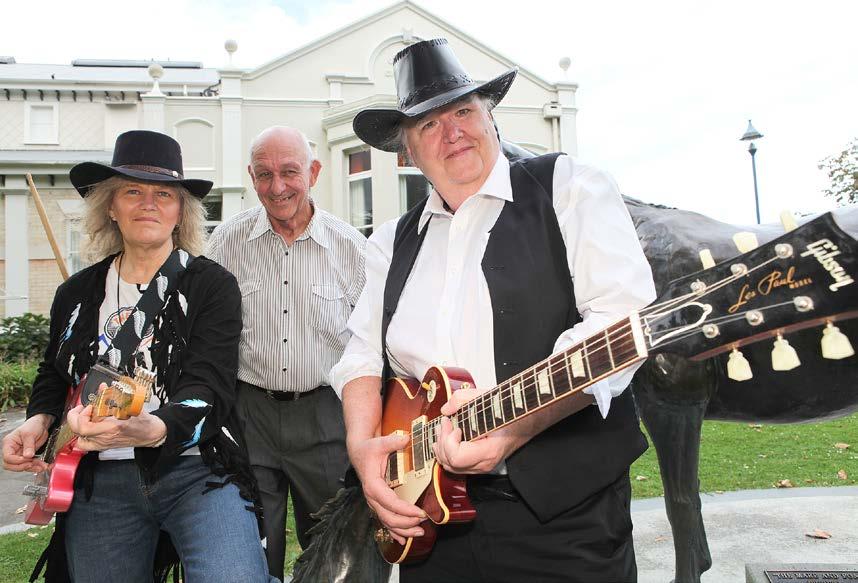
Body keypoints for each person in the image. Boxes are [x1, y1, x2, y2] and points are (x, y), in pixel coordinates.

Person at [331, 38, 657, 582]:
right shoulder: (390, 242)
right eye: (429, 124)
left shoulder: (569, 188)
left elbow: (619, 320)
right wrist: (363, 448)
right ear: (407, 152)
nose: (452, 132)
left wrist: (512, 430)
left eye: (464, 111)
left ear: (491, 118)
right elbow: (361, 358)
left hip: (565, 523)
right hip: (429, 518)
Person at [1, 130, 276, 583]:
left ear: (180, 212)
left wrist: (158, 428)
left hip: (196, 470)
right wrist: (38, 420)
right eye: (133, 191)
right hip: (99, 480)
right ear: (111, 206)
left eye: (164, 194)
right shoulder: (76, 293)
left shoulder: (211, 286)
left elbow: (210, 384)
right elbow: (55, 373)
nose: (149, 204)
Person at [206, 126, 366, 581]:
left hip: (326, 415)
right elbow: (206, 331)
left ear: (313, 173)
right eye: (264, 174)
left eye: (290, 172)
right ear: (251, 177)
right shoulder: (226, 243)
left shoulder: (351, 248)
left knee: (335, 548)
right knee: (252, 545)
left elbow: (373, 344)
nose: (277, 187)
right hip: (249, 415)